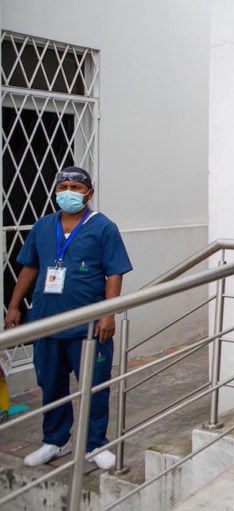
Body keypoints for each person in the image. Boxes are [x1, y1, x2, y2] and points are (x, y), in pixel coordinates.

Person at [4, 166, 133, 469]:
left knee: (94, 384)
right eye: (64, 187)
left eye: (76, 187)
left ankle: (95, 444)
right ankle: (55, 441)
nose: (69, 193)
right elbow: (29, 268)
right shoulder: (43, 226)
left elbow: (114, 273)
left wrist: (107, 314)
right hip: (47, 321)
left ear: (89, 193)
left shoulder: (103, 227)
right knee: (51, 384)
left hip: (88, 325)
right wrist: (13, 306)